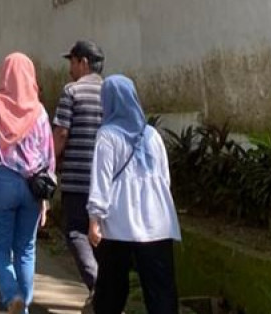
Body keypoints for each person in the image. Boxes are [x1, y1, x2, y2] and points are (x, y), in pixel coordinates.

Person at [0, 52, 56, 314]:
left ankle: (12, 295)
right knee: (26, 250)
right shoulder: (39, 112)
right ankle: (23, 306)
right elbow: (48, 157)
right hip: (33, 186)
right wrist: (45, 200)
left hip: (1, 182)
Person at [87, 76, 181, 314]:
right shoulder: (152, 135)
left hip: (119, 223)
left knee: (111, 289)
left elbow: (101, 179)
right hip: (157, 222)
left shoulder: (107, 135)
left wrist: (94, 219)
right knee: (161, 290)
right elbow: (164, 178)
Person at [52, 39, 105, 307]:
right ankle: (106, 290)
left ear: (83, 62)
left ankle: (99, 287)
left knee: (76, 231)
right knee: (102, 235)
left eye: (72, 62)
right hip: (105, 180)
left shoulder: (71, 91)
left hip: (77, 178)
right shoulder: (110, 91)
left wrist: (50, 162)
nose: (70, 68)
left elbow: (62, 132)